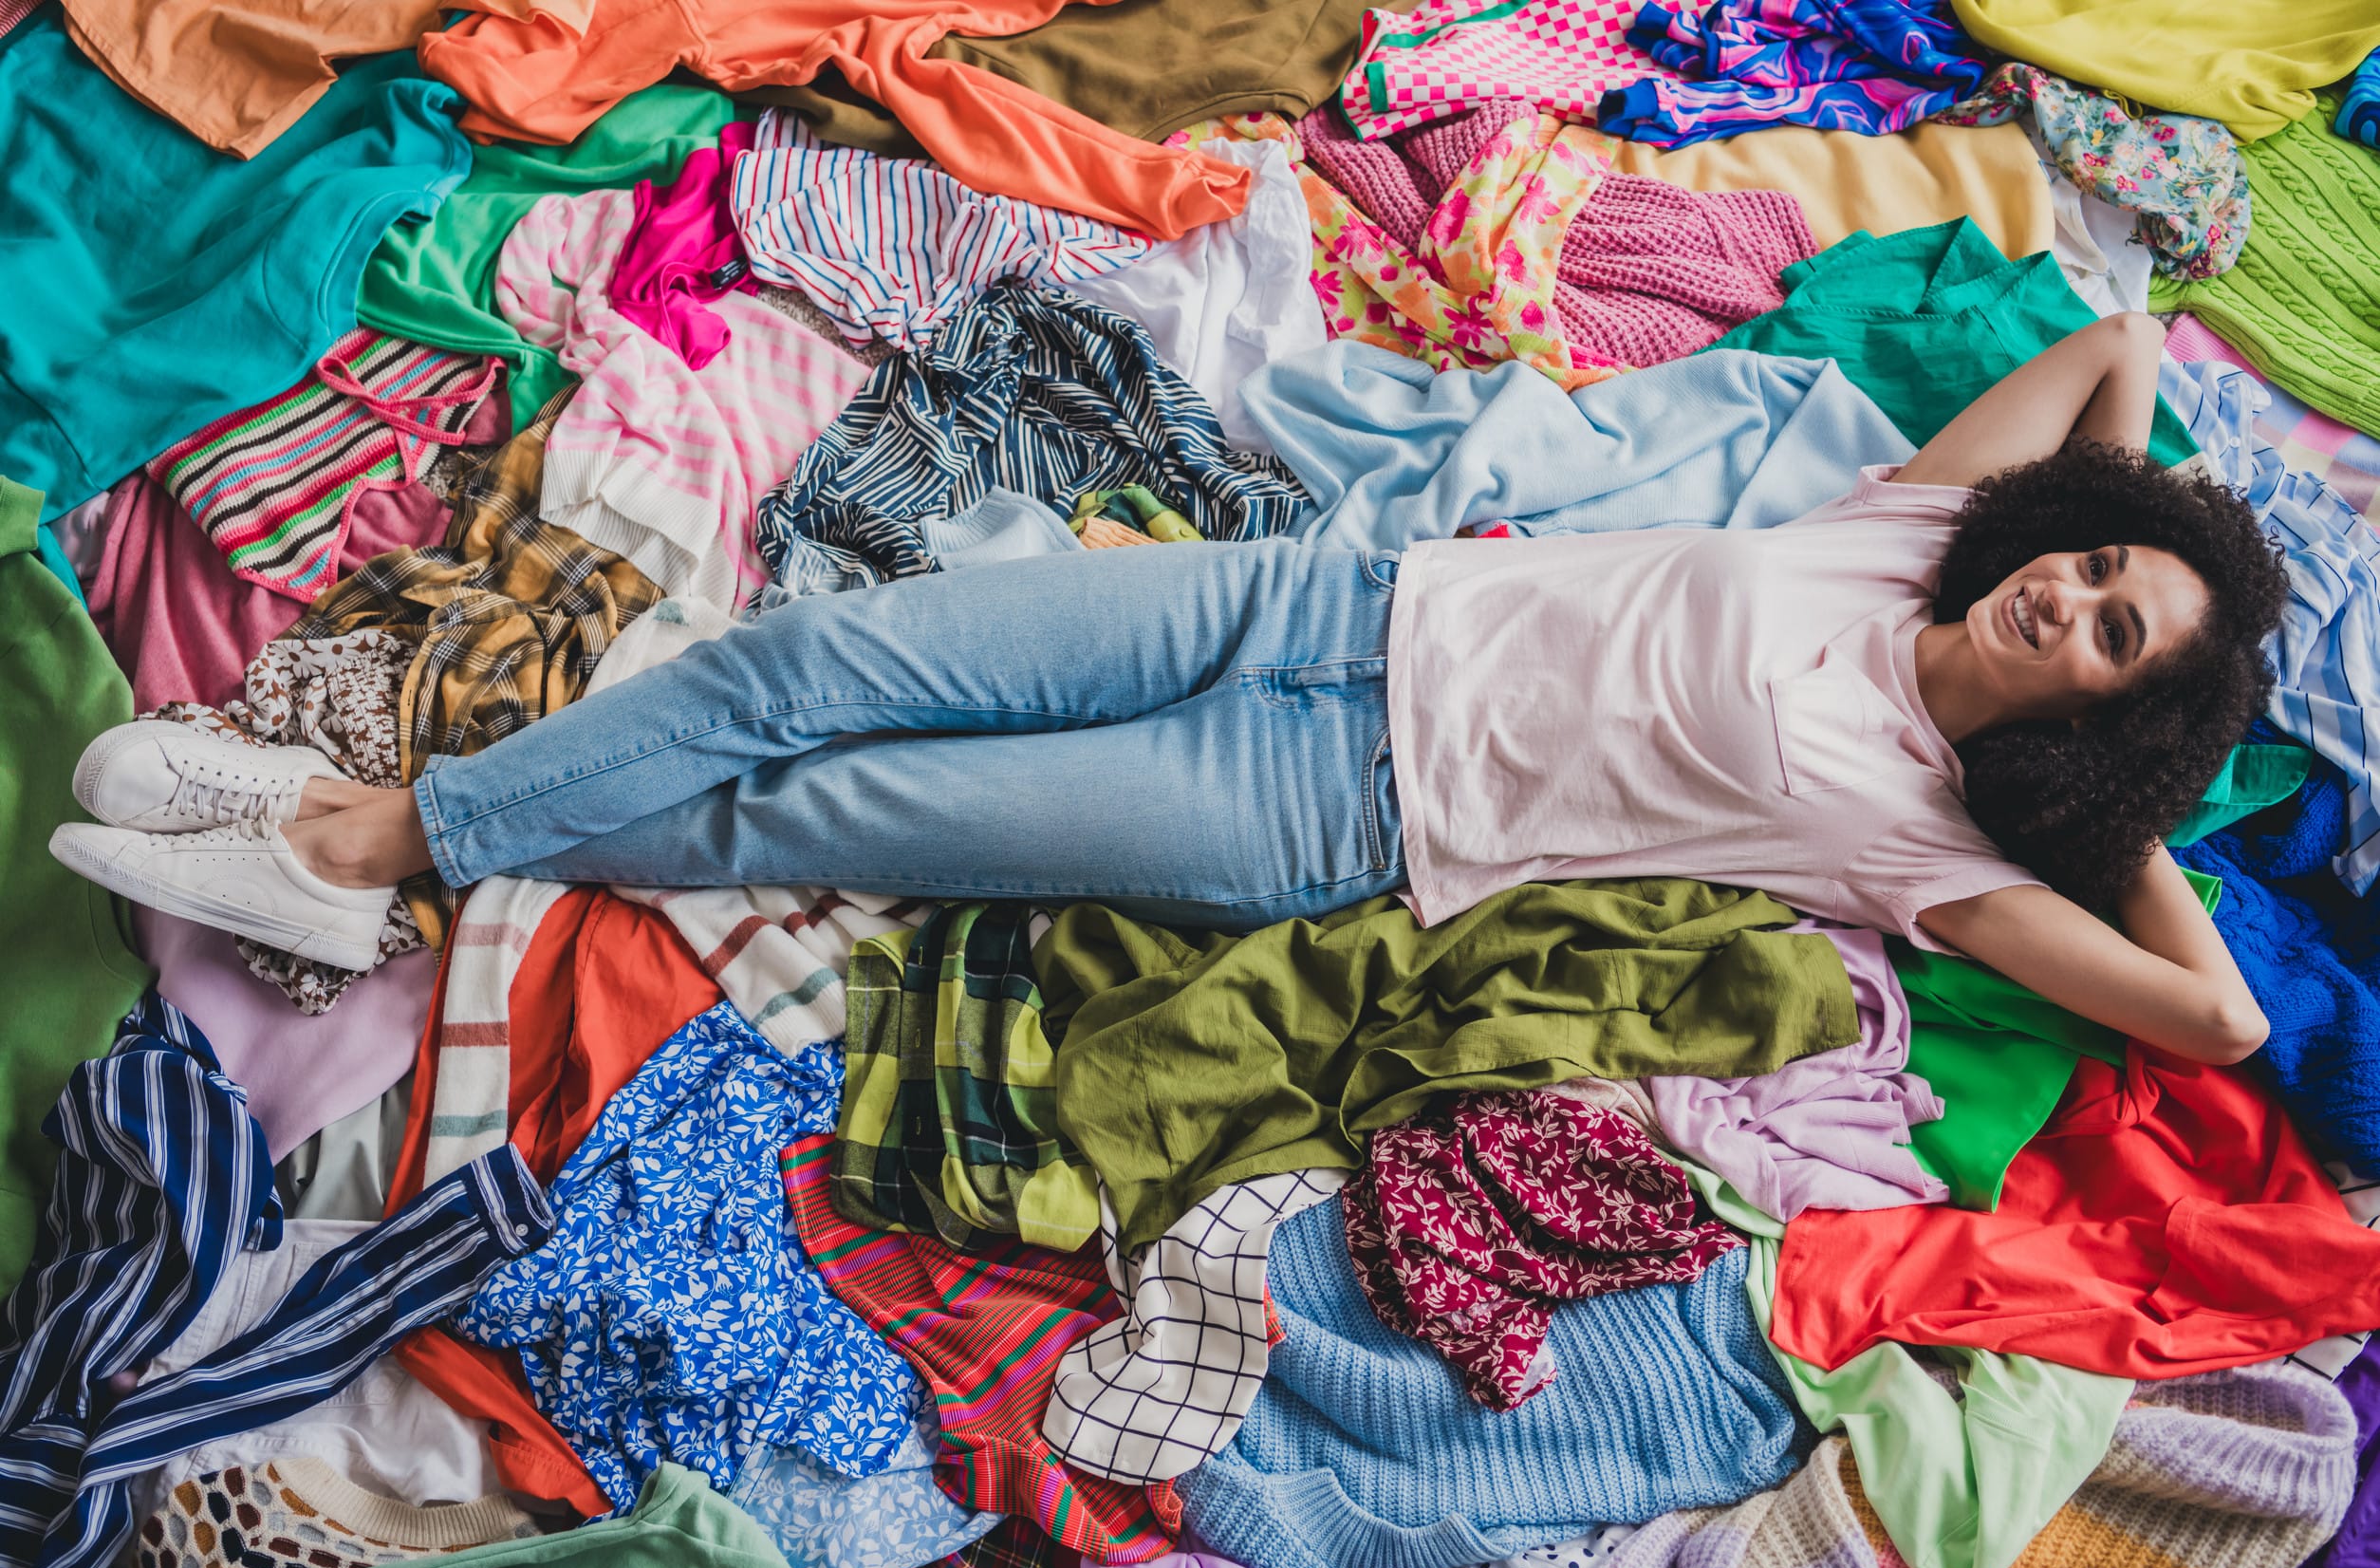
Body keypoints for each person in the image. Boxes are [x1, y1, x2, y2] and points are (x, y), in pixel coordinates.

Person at [54, 312, 2286, 1065]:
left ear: (2094, 720)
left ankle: (360, 840)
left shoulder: (1920, 845)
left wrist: (2113, 781)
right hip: (1323, 599)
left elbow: (2222, 1023)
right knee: (836, 651)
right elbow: (2119, 349)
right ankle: (375, 842)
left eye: (2102, 634)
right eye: (2093, 568)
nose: (2068, 598)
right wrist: (2167, 561)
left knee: (829, 809)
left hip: (1322, 811)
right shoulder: (1906, 524)